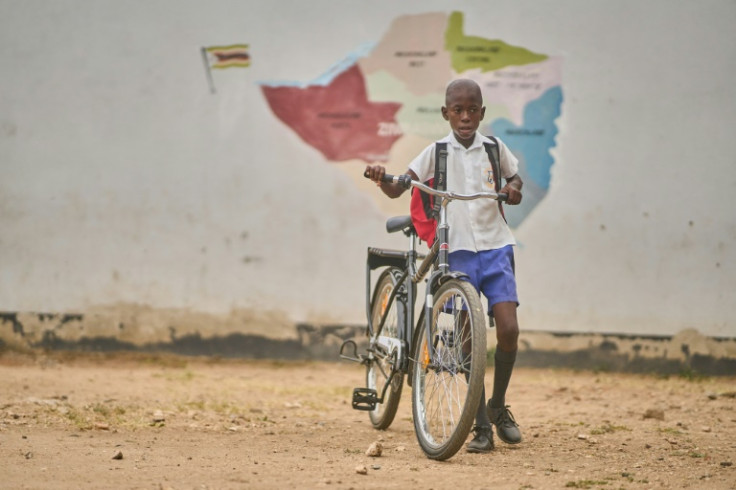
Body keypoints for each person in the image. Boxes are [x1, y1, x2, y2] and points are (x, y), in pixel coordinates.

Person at [364, 78, 523, 453]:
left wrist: (514, 188)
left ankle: (497, 405)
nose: (465, 117)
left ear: (482, 113)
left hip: (496, 246)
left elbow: (514, 177)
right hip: (460, 252)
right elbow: (401, 185)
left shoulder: (494, 147)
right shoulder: (435, 152)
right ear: (446, 114)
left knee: (509, 329)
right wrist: (381, 178)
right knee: (470, 338)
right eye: (458, 110)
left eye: (472, 110)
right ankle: (480, 425)